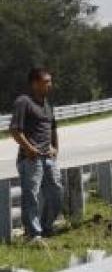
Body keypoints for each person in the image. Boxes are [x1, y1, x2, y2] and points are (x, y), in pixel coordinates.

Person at [9, 67, 62, 244]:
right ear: (34, 84)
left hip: (48, 157)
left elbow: (53, 128)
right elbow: (15, 130)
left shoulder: (47, 104)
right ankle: (34, 234)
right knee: (30, 196)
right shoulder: (24, 102)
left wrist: (56, 148)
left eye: (50, 81)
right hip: (30, 158)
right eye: (46, 82)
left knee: (56, 192)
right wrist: (29, 149)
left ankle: (47, 228)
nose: (50, 85)